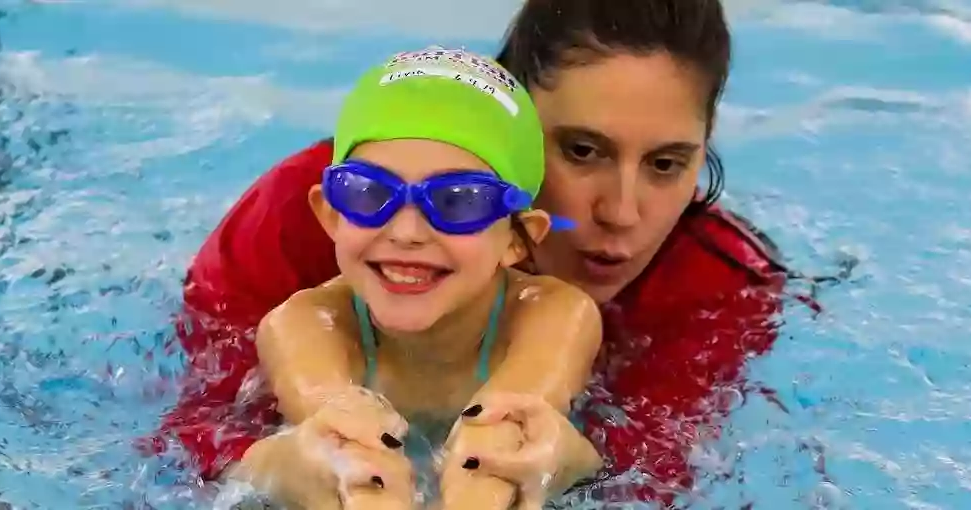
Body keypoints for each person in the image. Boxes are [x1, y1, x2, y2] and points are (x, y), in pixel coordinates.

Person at [142, 0, 819, 506]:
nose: (622, 213)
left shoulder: (714, 281)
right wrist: (272, 467)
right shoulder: (311, 217)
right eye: (582, 151)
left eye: (668, 164)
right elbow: (189, 430)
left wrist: (570, 461)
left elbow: (655, 473)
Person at [224, 46, 608, 509]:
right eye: (368, 193)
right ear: (329, 216)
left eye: (459, 201)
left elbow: (502, 442)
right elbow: (347, 452)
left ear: (517, 240)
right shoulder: (303, 324)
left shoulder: (553, 315)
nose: (406, 232)